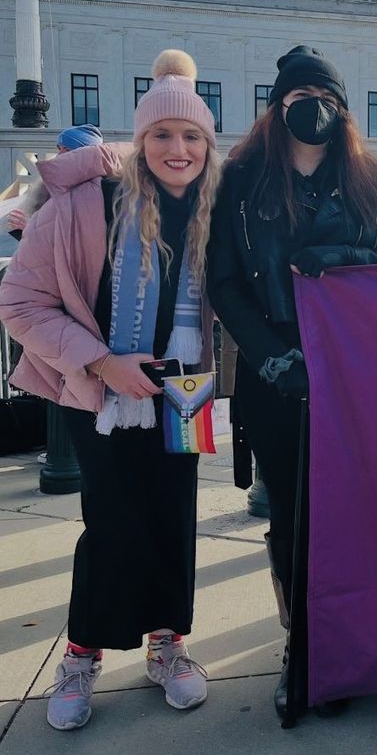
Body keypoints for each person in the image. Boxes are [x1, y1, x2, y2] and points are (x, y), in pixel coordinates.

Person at [0, 50, 219, 730]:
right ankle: (82, 653)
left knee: (173, 520)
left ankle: (167, 645)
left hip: (185, 391)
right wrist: (99, 361)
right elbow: (20, 302)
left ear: (208, 146)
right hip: (99, 395)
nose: (177, 149)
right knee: (111, 525)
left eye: (191, 137)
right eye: (162, 134)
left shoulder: (217, 205)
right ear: (139, 140)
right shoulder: (82, 205)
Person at [206, 45, 377, 717]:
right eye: (300, 100)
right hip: (277, 381)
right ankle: (303, 645)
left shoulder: (373, 185)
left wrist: (339, 258)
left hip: (355, 379)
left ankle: (352, 640)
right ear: (278, 108)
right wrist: (274, 359)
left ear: (343, 111)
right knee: (293, 518)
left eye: (325, 101)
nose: (313, 112)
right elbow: (224, 284)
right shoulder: (240, 182)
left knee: (355, 516)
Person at [6, 124, 104, 239]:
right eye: (59, 149)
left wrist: (31, 230)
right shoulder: (51, 186)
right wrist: (24, 230)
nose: (59, 155)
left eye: (67, 150)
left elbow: (79, 242)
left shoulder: (96, 189)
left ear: (86, 154)